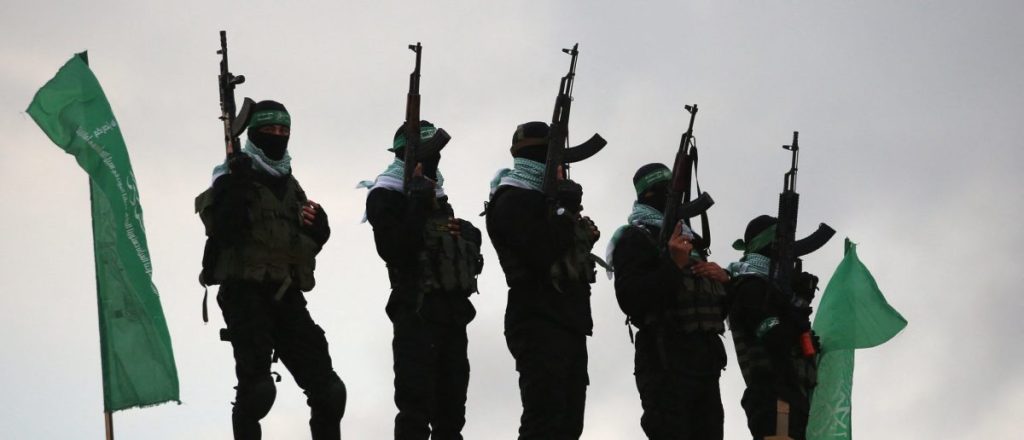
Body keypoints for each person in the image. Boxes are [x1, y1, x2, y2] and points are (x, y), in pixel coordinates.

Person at [196, 100, 346, 440]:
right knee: (258, 391)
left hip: (286, 293)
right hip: (244, 292)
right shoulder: (228, 175)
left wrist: (320, 228)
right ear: (252, 133)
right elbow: (224, 230)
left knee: (330, 392)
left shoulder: (290, 184)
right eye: (269, 130)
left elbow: (297, 241)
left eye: (283, 130)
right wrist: (237, 184)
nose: (277, 136)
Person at [361, 120, 483, 440]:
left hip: (452, 314)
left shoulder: (439, 197)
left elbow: (456, 253)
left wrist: (470, 235)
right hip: (416, 311)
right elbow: (394, 250)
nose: (433, 161)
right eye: (427, 153)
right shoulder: (385, 194)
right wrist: (415, 201)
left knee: (452, 414)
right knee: (415, 411)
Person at [484, 121, 601, 439]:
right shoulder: (511, 200)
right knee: (544, 422)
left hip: (568, 321)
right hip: (537, 319)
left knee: (569, 424)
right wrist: (564, 210)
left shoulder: (543, 200)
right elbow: (541, 252)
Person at [607, 163, 729, 440]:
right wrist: (673, 264)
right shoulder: (635, 238)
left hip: (705, 365)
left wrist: (725, 281)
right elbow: (631, 299)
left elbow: (710, 307)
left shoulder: (688, 241)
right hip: (665, 362)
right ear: (650, 195)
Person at [727, 215, 820, 440]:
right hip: (774, 397)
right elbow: (776, 339)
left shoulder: (774, 291)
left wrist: (797, 303)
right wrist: (796, 309)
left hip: (791, 395)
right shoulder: (750, 288)